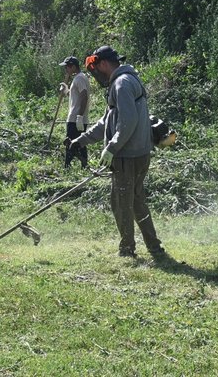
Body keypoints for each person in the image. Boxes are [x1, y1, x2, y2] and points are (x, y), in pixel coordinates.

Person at [68, 45, 165, 259]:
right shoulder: (127, 80)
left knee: (121, 203)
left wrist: (111, 147)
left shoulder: (121, 83)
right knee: (137, 201)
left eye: (96, 69)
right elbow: (107, 121)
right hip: (139, 152)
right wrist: (80, 141)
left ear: (102, 64)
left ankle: (127, 249)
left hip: (127, 156)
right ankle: (154, 247)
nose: (95, 75)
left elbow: (127, 121)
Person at [58, 56, 90, 168]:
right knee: (80, 143)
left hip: (75, 118)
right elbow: (75, 96)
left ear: (73, 66)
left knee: (70, 142)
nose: (66, 69)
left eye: (67, 67)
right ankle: (84, 165)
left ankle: (67, 166)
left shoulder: (80, 78)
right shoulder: (78, 78)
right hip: (76, 117)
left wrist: (79, 117)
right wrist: (66, 89)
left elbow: (84, 96)